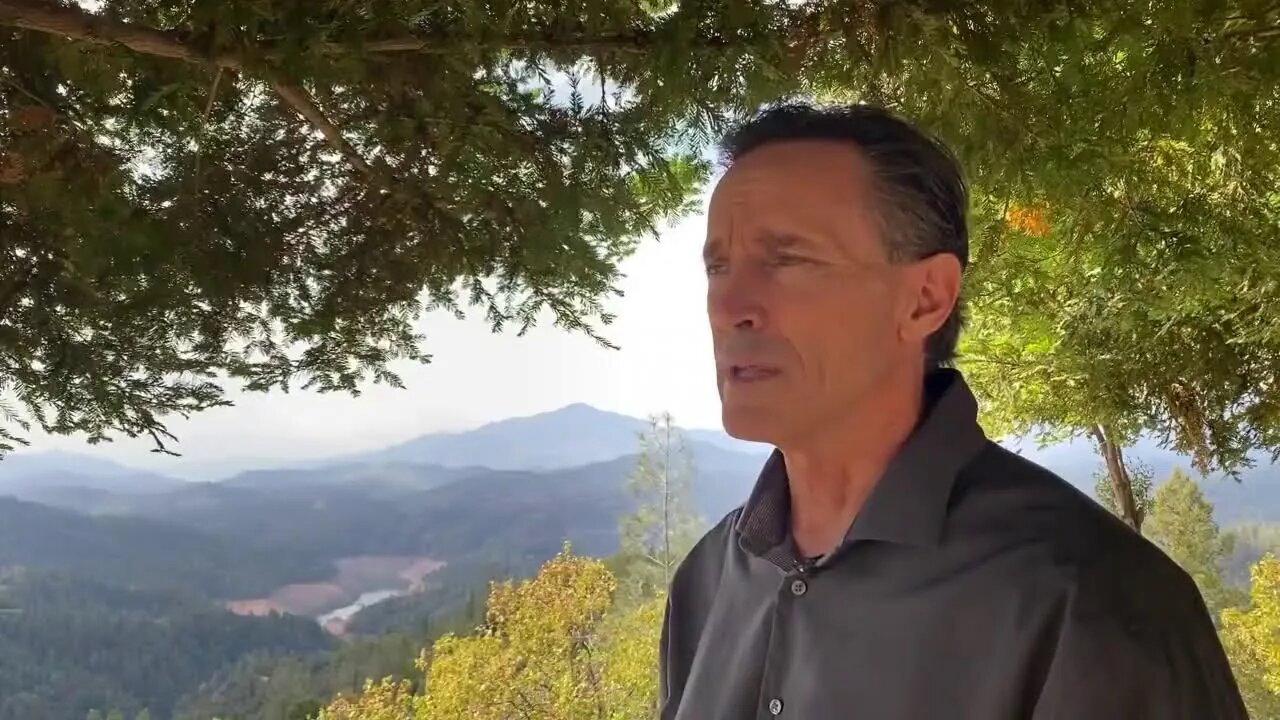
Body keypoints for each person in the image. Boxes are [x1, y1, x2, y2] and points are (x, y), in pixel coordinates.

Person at [659, 103, 1247, 719]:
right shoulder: (706, 581)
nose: (730, 306)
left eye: (787, 260)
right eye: (718, 267)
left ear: (925, 299)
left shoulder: (1092, 601)